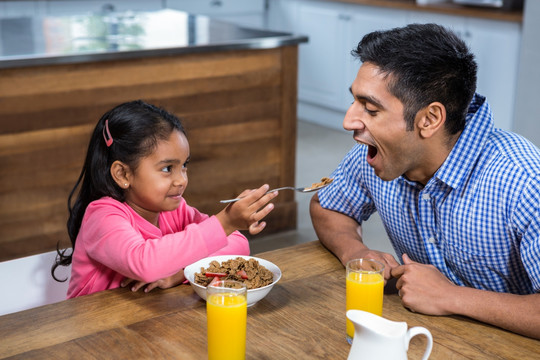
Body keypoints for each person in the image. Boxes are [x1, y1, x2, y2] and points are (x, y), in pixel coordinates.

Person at [310, 23, 540, 339]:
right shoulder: (379, 154)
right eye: (355, 101)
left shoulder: (524, 180)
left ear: (429, 120)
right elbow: (328, 205)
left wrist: (451, 296)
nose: (349, 121)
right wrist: (354, 251)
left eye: (371, 109)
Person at [52, 100, 278, 298]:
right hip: (91, 337)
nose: (181, 180)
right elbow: (145, 263)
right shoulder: (102, 216)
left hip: (147, 326)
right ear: (123, 174)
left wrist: (179, 273)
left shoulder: (176, 210)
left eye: (185, 166)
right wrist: (225, 222)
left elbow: (238, 244)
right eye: (168, 168)